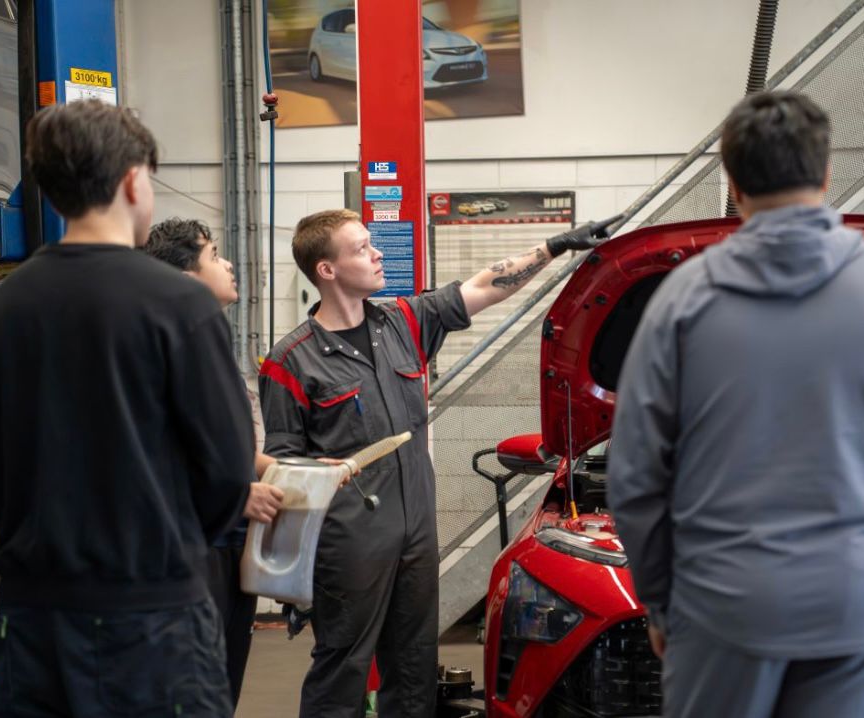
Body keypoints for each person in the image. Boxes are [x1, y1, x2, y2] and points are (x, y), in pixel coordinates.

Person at [607, 91, 864, 718]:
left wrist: (666, 603)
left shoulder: (683, 302)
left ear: (732, 183)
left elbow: (636, 476)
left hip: (720, 607)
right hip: (861, 605)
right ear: (828, 173)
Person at [259, 208, 607, 717]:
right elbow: (281, 467)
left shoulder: (402, 322)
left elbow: (486, 286)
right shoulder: (291, 361)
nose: (377, 253)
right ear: (326, 270)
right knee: (343, 668)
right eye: (360, 248)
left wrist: (554, 247)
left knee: (414, 666)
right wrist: (317, 477)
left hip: (416, 535)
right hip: (348, 545)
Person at [0, 100, 254, 716]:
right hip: (151, 620)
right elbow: (228, 470)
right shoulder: (180, 306)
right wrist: (165, 541)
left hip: (32, 618)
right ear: (132, 180)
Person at [144, 217, 286, 709]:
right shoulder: (165, 339)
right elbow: (155, 447)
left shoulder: (210, 337)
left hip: (230, 540)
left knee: (223, 686)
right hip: (191, 547)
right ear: (185, 275)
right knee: (193, 689)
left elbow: (215, 446)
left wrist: (293, 470)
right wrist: (235, 492)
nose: (228, 264)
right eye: (214, 255)